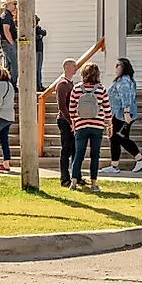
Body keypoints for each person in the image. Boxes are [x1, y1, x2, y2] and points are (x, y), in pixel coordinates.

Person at [68, 62, 111, 192]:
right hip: (97, 125)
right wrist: (110, 125)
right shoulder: (101, 89)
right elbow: (107, 109)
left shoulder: (76, 89)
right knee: (95, 155)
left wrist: (74, 122)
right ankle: (93, 183)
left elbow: (72, 109)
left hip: (81, 125)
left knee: (79, 154)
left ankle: (74, 182)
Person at [101, 58, 142, 175]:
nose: (115, 68)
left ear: (123, 68)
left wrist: (126, 113)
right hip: (117, 114)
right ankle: (115, 165)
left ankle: (139, 159)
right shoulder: (122, 80)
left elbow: (126, 97)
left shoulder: (124, 82)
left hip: (121, 115)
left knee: (119, 138)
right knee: (116, 139)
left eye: (118, 65)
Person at [55, 58, 78, 188]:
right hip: (65, 121)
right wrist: (70, 121)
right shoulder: (62, 84)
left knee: (76, 149)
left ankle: (76, 176)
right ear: (67, 67)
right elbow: (62, 106)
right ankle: (64, 178)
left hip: (72, 121)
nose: (76, 68)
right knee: (66, 150)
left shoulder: (71, 83)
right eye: (73, 66)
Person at [0, 0, 18, 88]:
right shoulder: (7, 16)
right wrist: (12, 43)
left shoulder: (6, 15)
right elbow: (6, 30)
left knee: (9, 64)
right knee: (14, 64)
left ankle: (8, 83)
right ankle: (12, 84)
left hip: (6, 43)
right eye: (14, 4)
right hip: (8, 43)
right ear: (8, 5)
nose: (15, 6)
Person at [35, 16, 46, 91]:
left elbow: (44, 32)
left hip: (39, 50)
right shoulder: (30, 30)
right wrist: (39, 36)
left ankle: (39, 84)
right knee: (35, 69)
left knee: (39, 68)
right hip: (34, 51)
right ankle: (36, 84)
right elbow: (35, 37)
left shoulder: (38, 28)